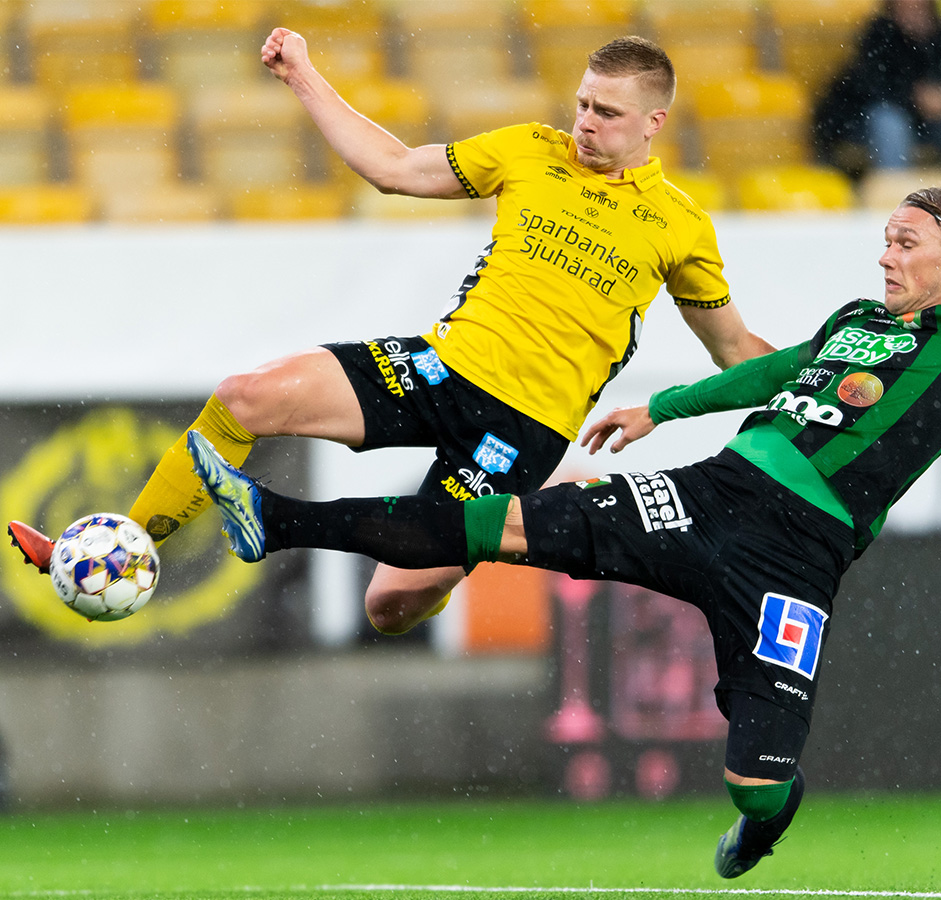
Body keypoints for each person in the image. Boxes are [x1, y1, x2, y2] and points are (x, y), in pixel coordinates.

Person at [189, 44, 941, 878]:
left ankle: (765, 820)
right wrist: (658, 408)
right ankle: (274, 519)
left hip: (799, 558)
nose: (886, 256)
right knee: (495, 524)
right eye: (885, 238)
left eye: (906, 242)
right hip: (711, 493)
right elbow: (773, 372)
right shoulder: (854, 321)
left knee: (755, 778)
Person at [7, 32, 772, 634]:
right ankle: (119, 547)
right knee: (246, 397)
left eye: (607, 113)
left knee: (389, 607)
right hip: (439, 368)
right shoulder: (530, 151)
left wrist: (818, 373)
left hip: (520, 429)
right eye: (582, 103)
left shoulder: (679, 225)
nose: (586, 123)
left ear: (654, 123)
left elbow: (734, 350)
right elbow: (395, 168)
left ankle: (474, 539)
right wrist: (302, 74)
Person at [814, 0, 941, 186]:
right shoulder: (878, 36)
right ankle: (896, 196)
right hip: (870, 125)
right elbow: (870, 86)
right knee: (890, 123)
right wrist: (915, 98)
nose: (913, 5)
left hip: (928, 124)